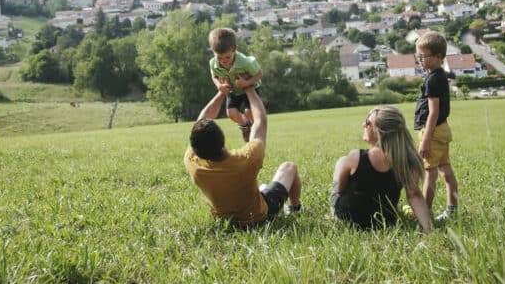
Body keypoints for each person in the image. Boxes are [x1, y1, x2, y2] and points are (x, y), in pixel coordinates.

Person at [184, 85, 303, 227]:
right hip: (258, 217)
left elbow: (200, 122)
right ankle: (296, 208)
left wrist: (221, 93)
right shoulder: (246, 159)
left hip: (225, 220)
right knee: (289, 167)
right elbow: (260, 122)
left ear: (195, 147)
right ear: (223, 140)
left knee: (261, 188)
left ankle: (263, 191)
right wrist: (249, 89)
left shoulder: (192, 162)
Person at [331, 106, 432, 232]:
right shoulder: (409, 161)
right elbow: (414, 195)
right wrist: (428, 229)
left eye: (368, 122)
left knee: (341, 161)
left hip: (347, 220)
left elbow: (339, 189)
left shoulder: (356, 157)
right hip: (385, 221)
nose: (363, 124)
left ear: (381, 133)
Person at [414, 31, 459, 222]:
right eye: (418, 56)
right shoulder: (439, 75)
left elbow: (433, 112)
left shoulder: (433, 80)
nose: (420, 60)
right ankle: (452, 208)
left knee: (430, 173)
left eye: (423, 56)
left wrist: (425, 139)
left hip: (432, 131)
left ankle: (425, 213)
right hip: (442, 129)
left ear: (438, 57)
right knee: (445, 170)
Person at [208, 27, 263, 142]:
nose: (224, 61)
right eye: (219, 57)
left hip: (250, 87)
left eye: (227, 57)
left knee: (249, 112)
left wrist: (246, 82)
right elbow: (214, 76)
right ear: (213, 52)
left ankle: (253, 132)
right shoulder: (213, 63)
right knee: (231, 113)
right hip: (233, 90)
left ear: (235, 49)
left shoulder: (245, 62)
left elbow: (259, 74)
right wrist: (219, 86)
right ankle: (245, 126)